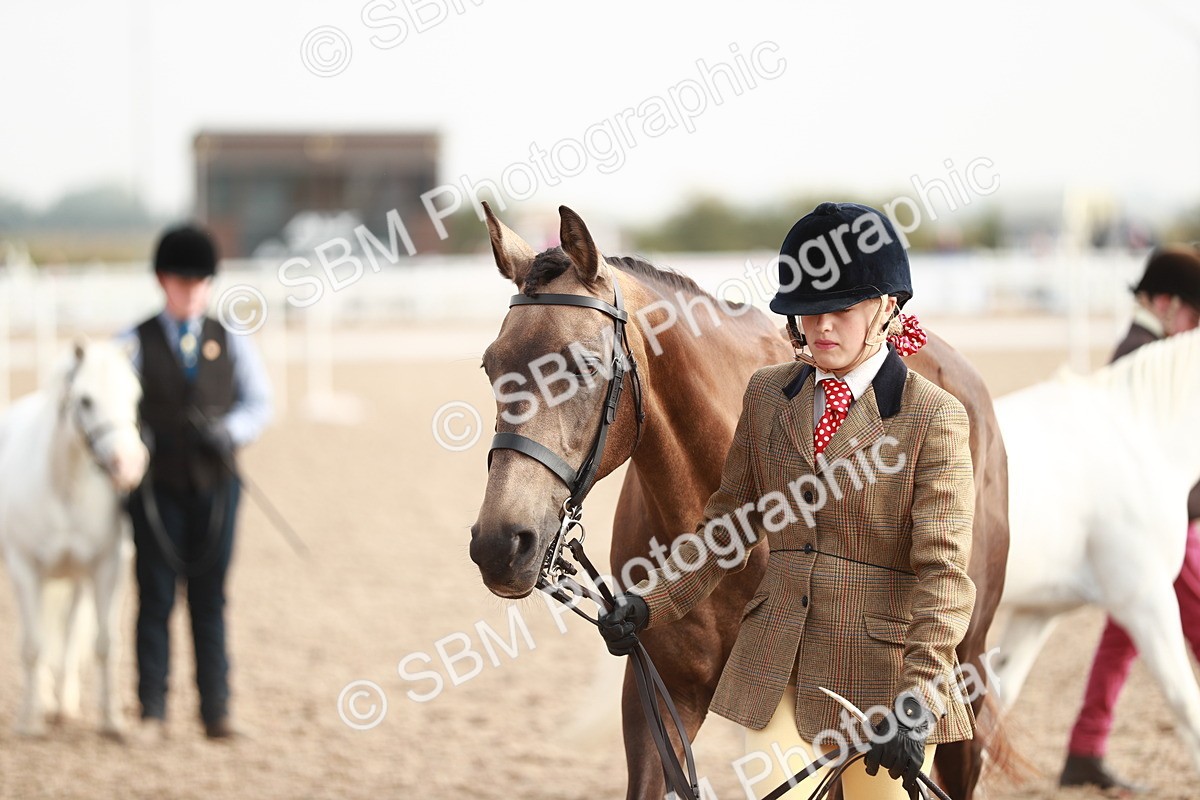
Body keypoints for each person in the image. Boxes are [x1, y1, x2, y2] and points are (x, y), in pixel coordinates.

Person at [597, 202, 977, 799]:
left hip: (887, 683)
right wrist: (652, 604)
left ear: (885, 309)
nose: (821, 328)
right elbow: (729, 527)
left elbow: (943, 574)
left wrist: (921, 701)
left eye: (840, 310)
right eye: (807, 313)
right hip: (781, 670)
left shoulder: (934, 417)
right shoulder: (769, 396)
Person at [120, 222, 272, 740]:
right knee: (155, 597)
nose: (192, 291)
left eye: (200, 282)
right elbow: (116, 413)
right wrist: (139, 440)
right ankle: (152, 711)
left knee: (211, 598)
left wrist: (229, 431)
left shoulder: (231, 339)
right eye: (183, 282)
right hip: (155, 490)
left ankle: (216, 711)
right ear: (163, 281)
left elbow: (260, 403)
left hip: (216, 487)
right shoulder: (131, 343)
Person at [1059, 243, 1200, 791]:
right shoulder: (1143, 356)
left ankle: (1085, 748)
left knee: (1123, 638)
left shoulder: (1143, 346)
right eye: (1193, 315)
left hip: (1154, 530)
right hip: (1163, 531)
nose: (1193, 329)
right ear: (1165, 304)